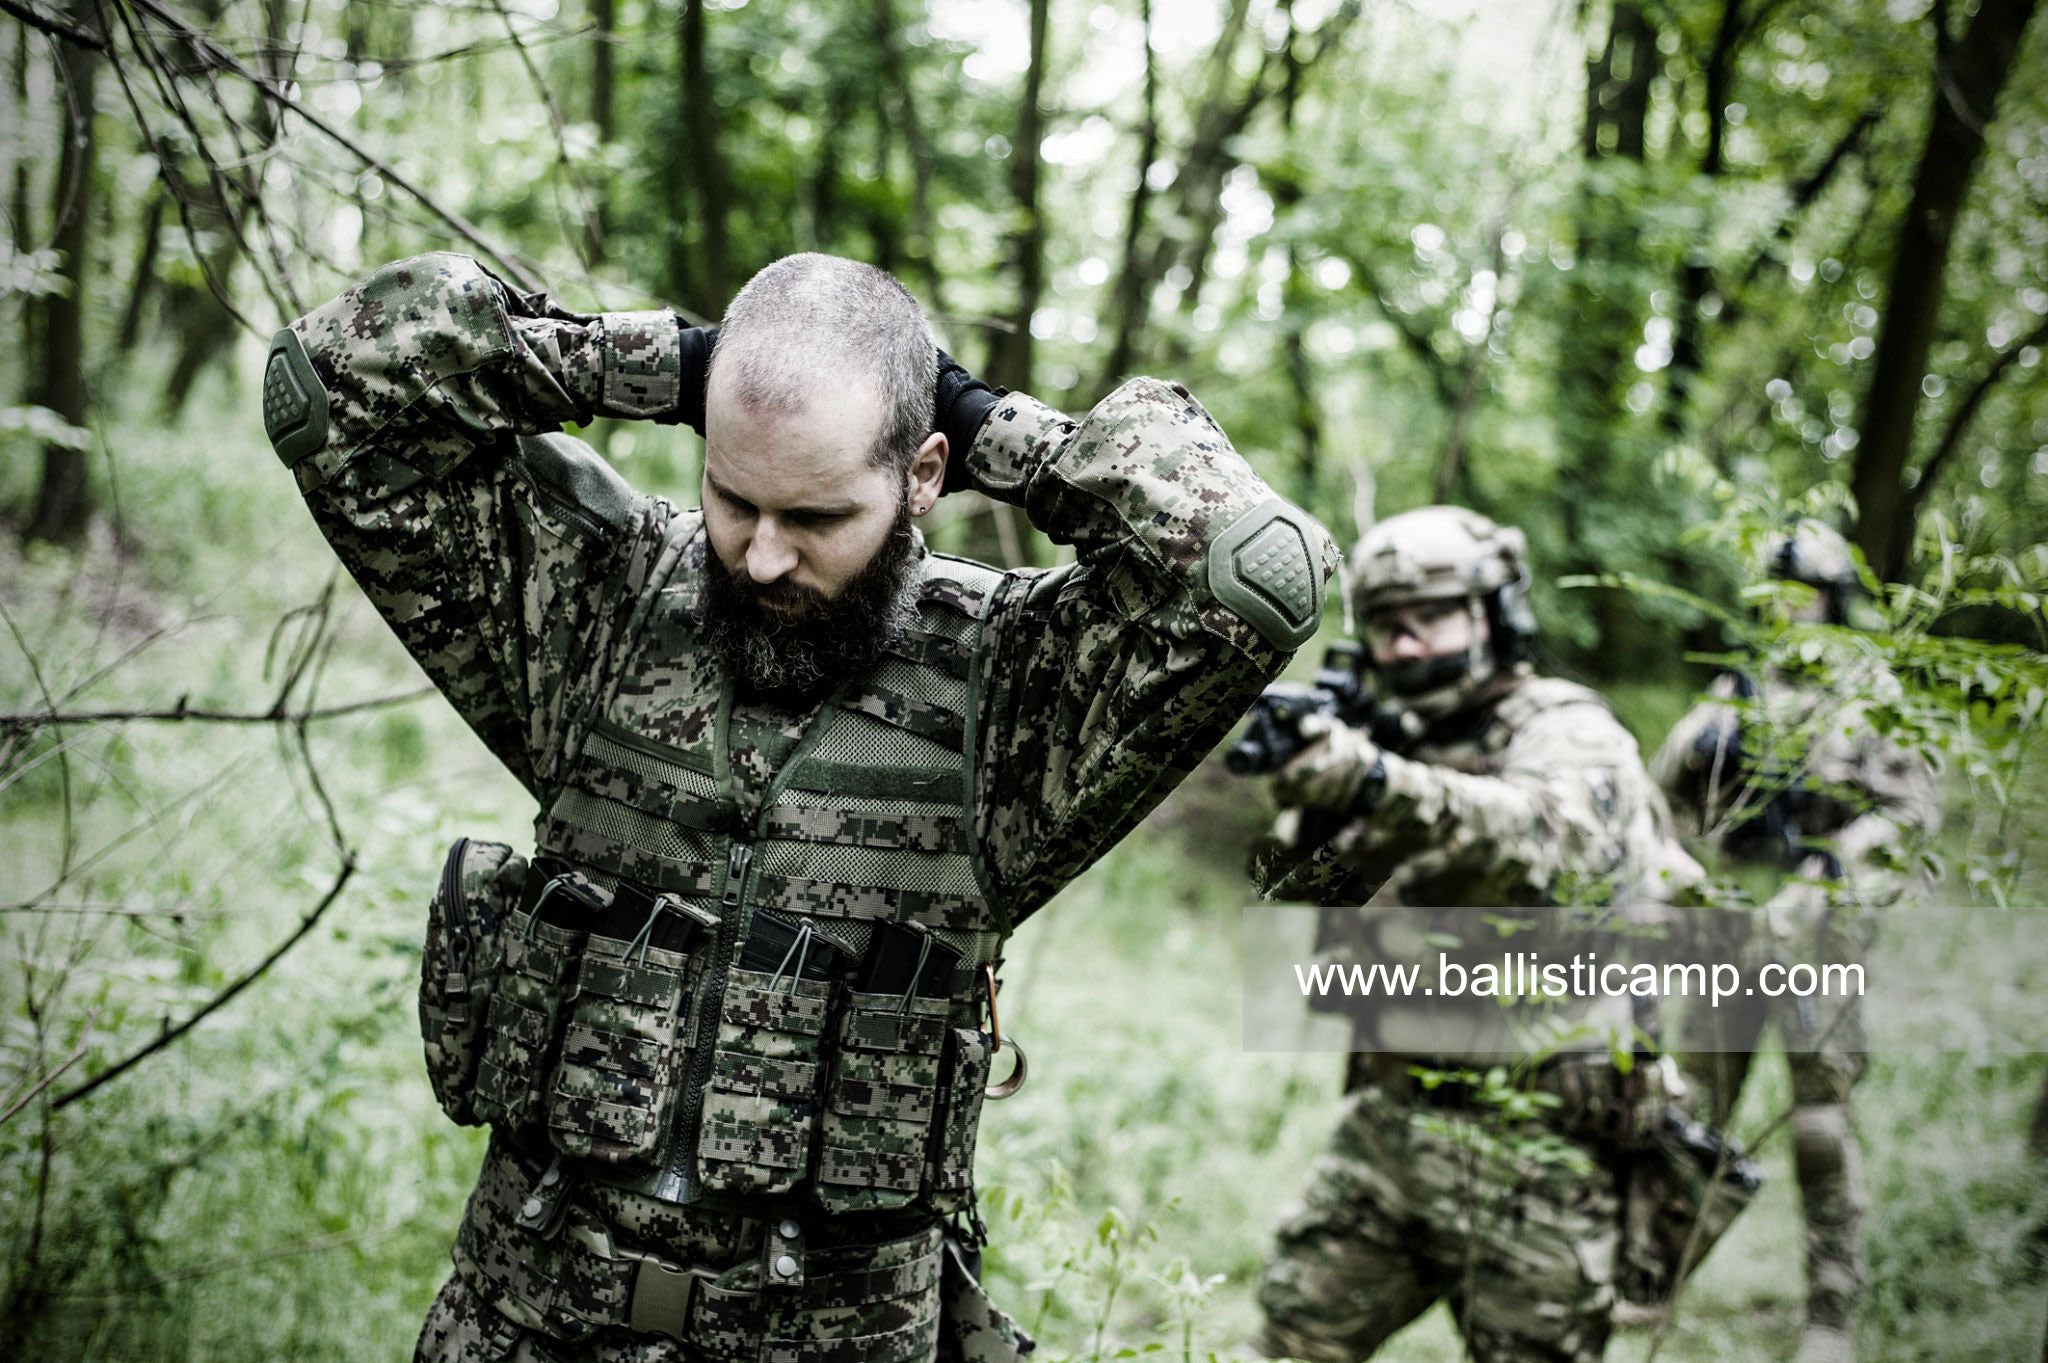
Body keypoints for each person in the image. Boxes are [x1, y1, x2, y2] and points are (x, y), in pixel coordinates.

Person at [260, 250, 1337, 1362]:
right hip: (521, 1324)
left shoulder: (1014, 688)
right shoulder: (600, 602)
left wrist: (994, 430)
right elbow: (330, 385)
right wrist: (661, 368)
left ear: (923, 474)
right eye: (733, 497)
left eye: (815, 515)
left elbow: (1249, 571)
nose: (763, 556)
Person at [1250, 505, 1699, 1363]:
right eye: (1386, 626)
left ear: (1494, 613)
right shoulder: (1392, 743)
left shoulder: (1568, 729)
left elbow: (1552, 842)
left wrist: (1382, 784)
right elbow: (1293, 915)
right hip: (1392, 1119)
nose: (1407, 644)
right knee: (1288, 1341)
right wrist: (1316, 819)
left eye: (1431, 617)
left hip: (1543, 1147)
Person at [1652, 520, 1938, 1363]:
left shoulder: (1870, 694)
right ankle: (1655, 1276)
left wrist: (1829, 874)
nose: (1787, 609)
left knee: (1818, 1124)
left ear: (1833, 597)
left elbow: (1912, 818)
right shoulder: (1739, 689)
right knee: (1693, 1111)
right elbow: (1665, 795)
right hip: (1731, 935)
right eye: (1774, 594)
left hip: (1819, 942)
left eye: (1801, 592)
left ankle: (1831, 1309)